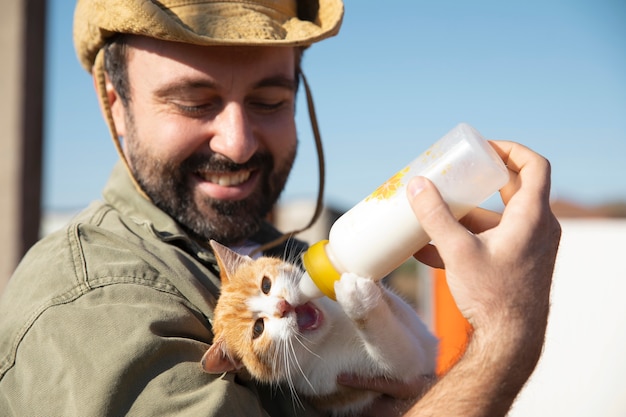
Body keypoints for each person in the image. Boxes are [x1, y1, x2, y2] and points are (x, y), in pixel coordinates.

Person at [0, 0, 561, 416]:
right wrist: (505, 332)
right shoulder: (93, 304)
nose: (238, 143)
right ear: (115, 106)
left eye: (270, 100)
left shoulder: (279, 252)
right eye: (194, 102)